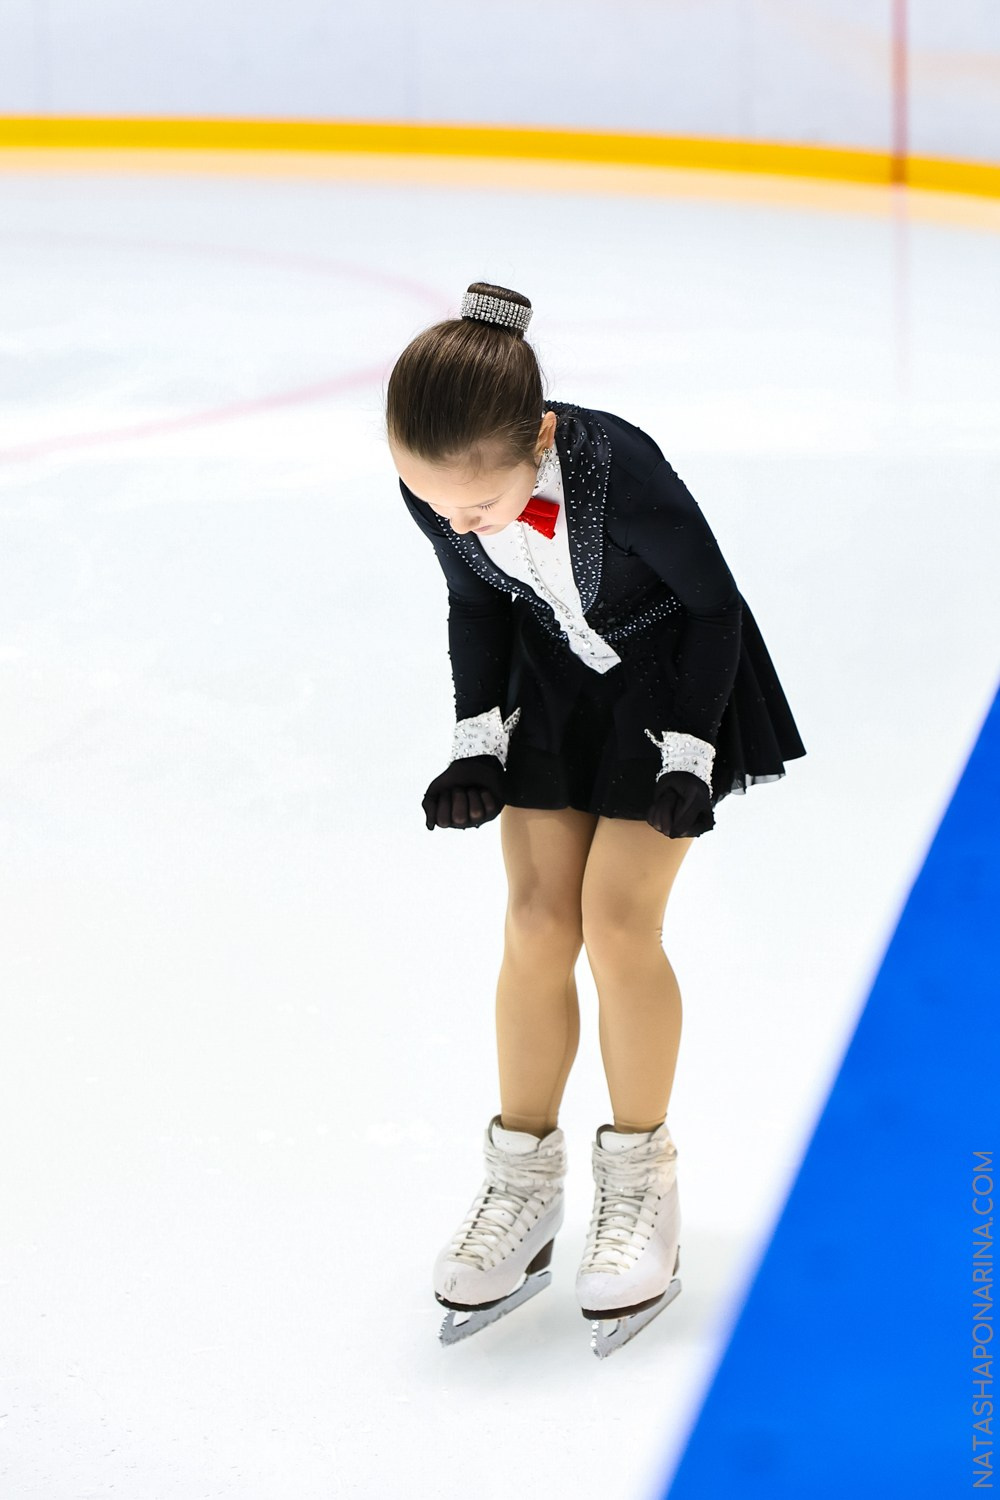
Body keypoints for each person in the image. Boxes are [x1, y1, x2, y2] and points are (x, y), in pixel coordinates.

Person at [385, 280, 806, 1357]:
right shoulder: (443, 478)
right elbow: (476, 598)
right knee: (535, 923)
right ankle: (521, 1189)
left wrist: (690, 754)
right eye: (432, 504)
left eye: (473, 507)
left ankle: (640, 1188)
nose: (453, 522)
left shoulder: (625, 474)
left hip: (676, 684)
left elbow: (713, 608)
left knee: (617, 926)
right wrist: (474, 740)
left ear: (535, 442)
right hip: (556, 684)